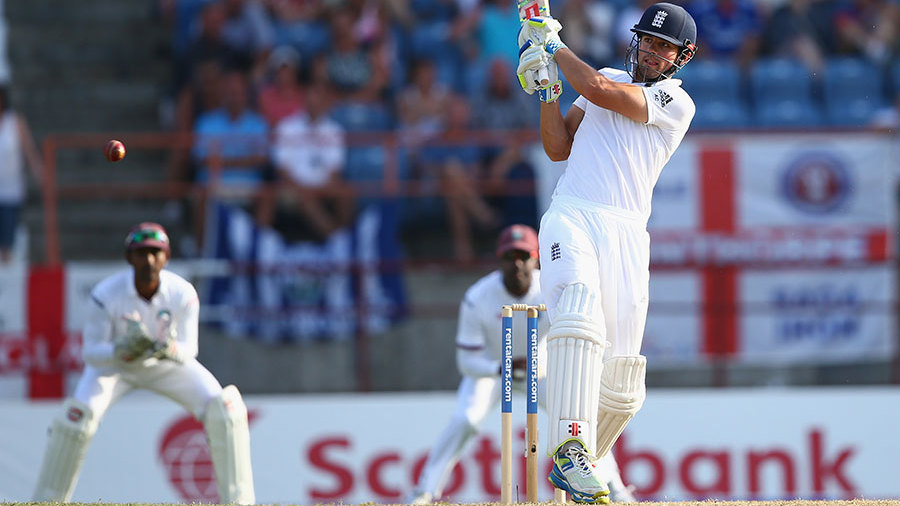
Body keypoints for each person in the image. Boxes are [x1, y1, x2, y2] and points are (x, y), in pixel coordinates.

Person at [515, 3, 697, 503]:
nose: (653, 53)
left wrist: (551, 43)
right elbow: (558, 148)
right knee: (577, 317)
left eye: (665, 48)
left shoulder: (675, 103)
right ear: (635, 40)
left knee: (622, 386)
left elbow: (598, 90)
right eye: (648, 41)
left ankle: (573, 462)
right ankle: (570, 450)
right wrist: (549, 92)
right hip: (573, 213)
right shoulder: (609, 77)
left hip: (628, 234)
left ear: (682, 57)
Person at [407, 224, 635, 504]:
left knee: (577, 419)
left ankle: (616, 489)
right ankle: (425, 491)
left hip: (542, 373)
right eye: (509, 256)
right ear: (499, 260)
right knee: (465, 419)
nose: (516, 263)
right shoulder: (478, 297)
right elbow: (467, 362)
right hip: (492, 372)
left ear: (536, 259)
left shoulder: (551, 289)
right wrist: (499, 368)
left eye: (523, 256)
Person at [32, 223, 255, 504]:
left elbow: (190, 349)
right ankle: (45, 501)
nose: (148, 260)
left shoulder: (183, 293)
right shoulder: (106, 294)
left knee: (225, 409)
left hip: (165, 364)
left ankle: (240, 502)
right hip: (116, 368)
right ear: (129, 258)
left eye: (155, 253)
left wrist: (169, 349)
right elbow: (91, 353)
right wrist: (121, 349)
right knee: (76, 419)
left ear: (166, 257)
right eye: (141, 253)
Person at [0, 84, 43, 265]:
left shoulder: (15, 121)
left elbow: (29, 151)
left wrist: (40, 174)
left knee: (7, 242)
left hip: (11, 190)